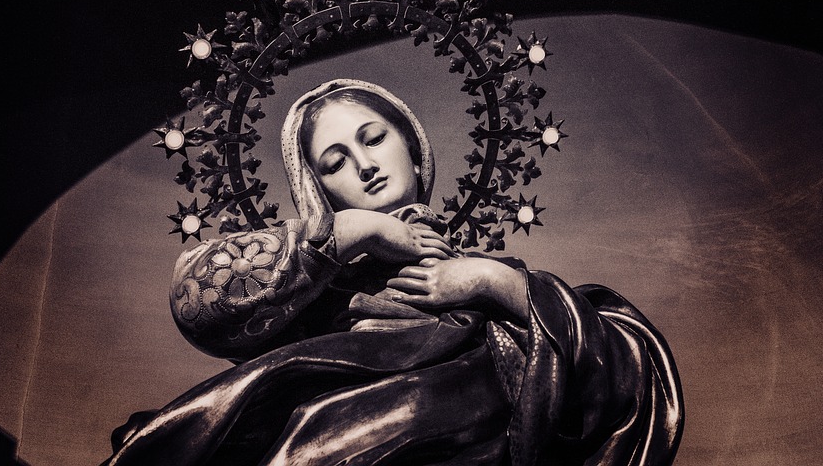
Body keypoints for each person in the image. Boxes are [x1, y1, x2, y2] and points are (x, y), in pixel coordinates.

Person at [102, 79, 684, 466]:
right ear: (318, 191)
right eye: (335, 163)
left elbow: (632, 371)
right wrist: (356, 232)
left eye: (374, 139)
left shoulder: (501, 284)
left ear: (409, 141)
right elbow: (199, 301)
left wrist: (494, 284)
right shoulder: (315, 296)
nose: (365, 165)